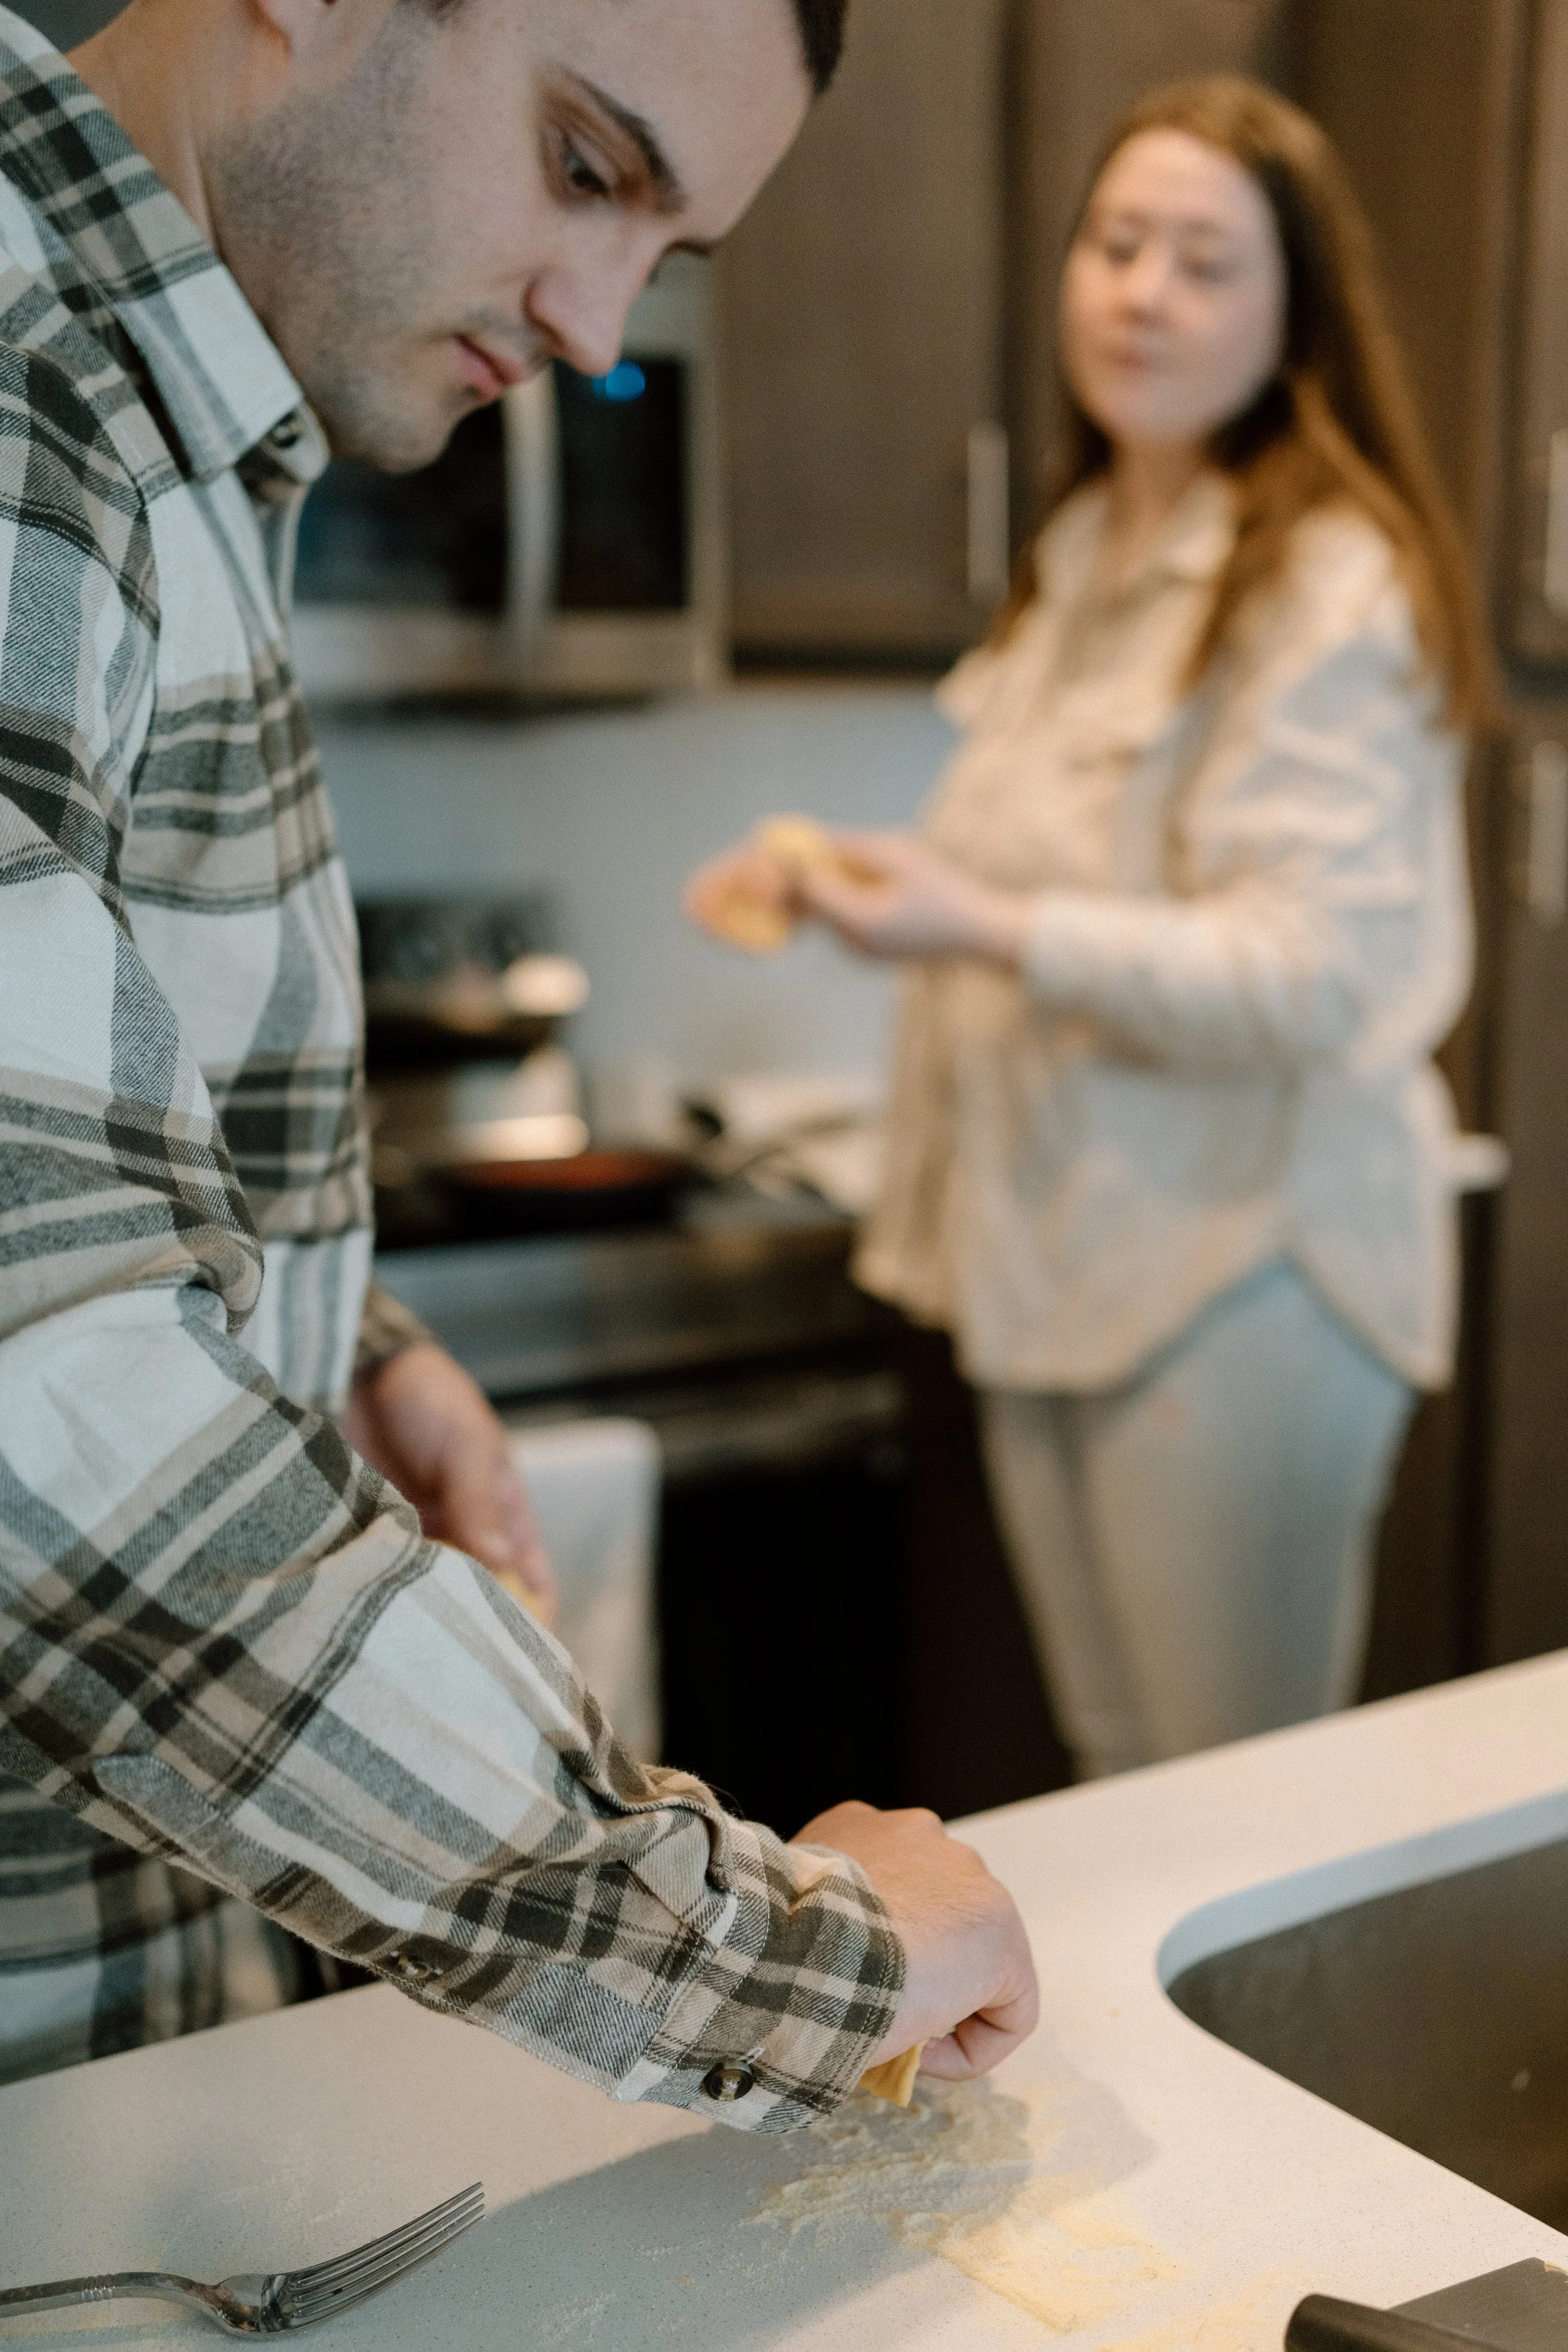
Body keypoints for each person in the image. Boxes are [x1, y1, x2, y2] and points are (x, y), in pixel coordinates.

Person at [0, 0, 1037, 2113]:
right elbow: (49, 1410)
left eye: (661, 250)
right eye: (583, 165)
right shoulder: (21, 404)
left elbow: (69, 1122)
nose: (595, 330)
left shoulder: (163, 410)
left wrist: (329, 1329)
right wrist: (776, 1957)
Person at [689, 77, 1490, 1783]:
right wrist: (872, 886)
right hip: (1055, 1247)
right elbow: (1060, 876)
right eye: (1116, 244)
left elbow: (1315, 969)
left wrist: (971, 918)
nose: (1141, 291)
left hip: (1236, 1269)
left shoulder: (1325, 581)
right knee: (1122, 1774)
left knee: (1231, 1804)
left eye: (1204, 260)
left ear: (1293, 317)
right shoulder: (1078, 550)